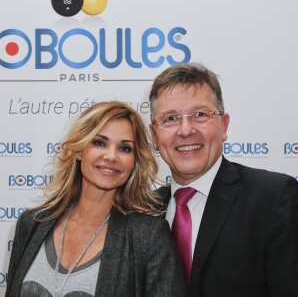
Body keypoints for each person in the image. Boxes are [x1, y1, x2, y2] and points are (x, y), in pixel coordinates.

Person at [6, 101, 187, 297]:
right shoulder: (32, 224)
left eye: (125, 148)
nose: (111, 156)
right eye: (99, 142)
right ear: (79, 151)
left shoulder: (149, 236)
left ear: (134, 162)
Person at [149, 63, 298, 297]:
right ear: (154, 136)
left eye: (200, 115)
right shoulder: (145, 210)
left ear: (224, 125)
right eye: (170, 118)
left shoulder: (273, 198)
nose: (186, 130)